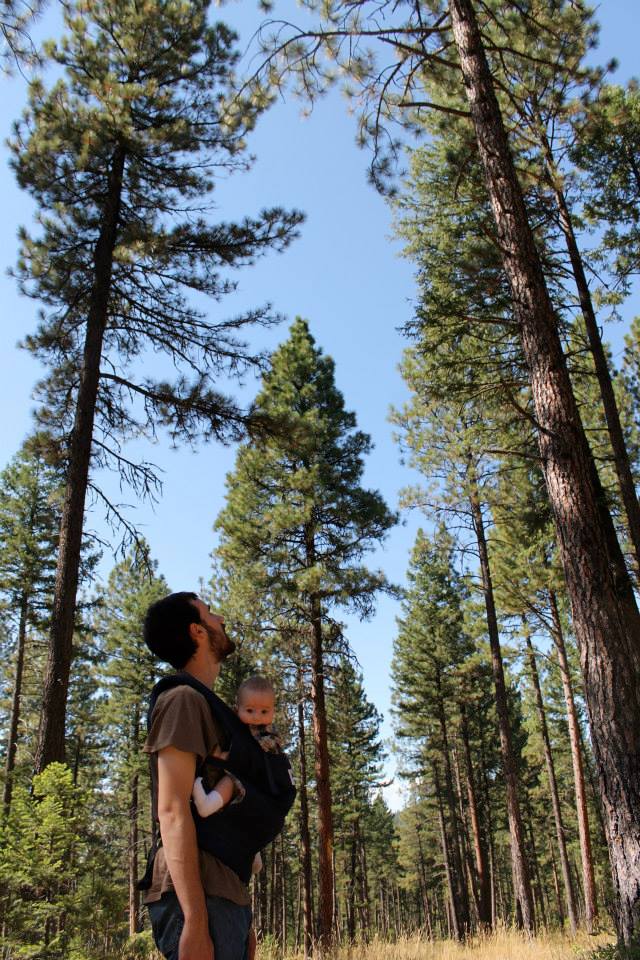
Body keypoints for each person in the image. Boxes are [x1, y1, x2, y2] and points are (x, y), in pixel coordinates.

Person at [141, 592, 250, 960]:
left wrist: (245, 918)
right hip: (198, 896)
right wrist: (196, 921)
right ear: (198, 631)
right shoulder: (183, 700)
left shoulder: (206, 705)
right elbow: (171, 811)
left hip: (224, 893)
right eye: (210, 613)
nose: (220, 618)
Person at [192, 675, 283, 818]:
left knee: (231, 782)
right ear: (237, 709)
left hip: (258, 782)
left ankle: (207, 805)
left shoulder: (267, 732)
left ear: (273, 711)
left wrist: (226, 756)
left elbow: (254, 755)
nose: (257, 717)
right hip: (242, 776)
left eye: (264, 711)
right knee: (230, 779)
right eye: (250, 710)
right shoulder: (235, 727)